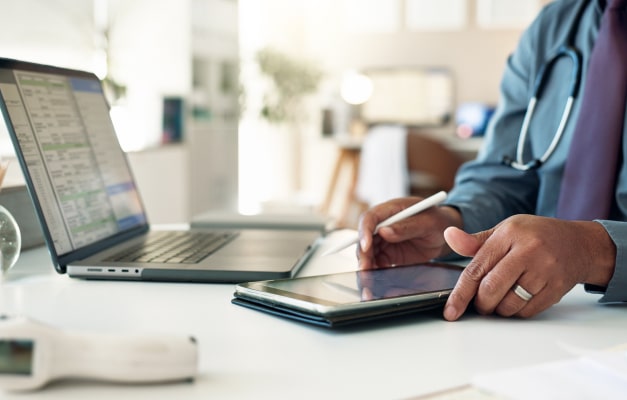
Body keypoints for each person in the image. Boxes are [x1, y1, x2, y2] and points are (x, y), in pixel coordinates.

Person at [356, 0, 627, 321]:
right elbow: (500, 176)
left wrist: (591, 252)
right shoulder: (554, 26)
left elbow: (576, 249)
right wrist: (453, 223)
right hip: (547, 318)